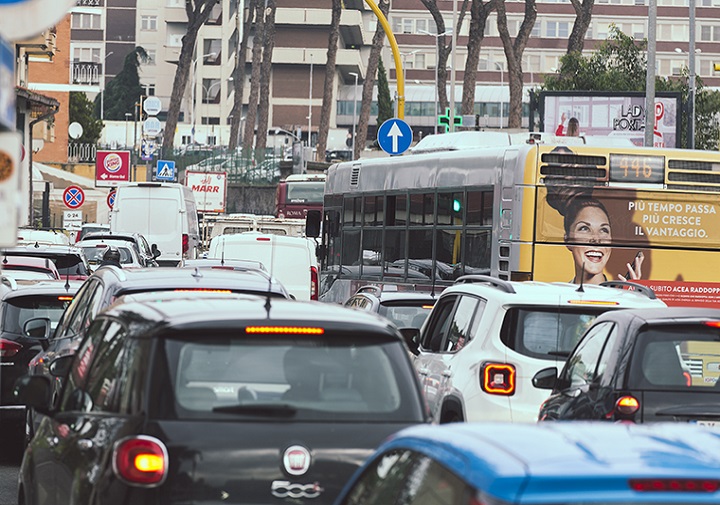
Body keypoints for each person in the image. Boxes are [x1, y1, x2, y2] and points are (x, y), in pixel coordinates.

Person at [547, 186, 642, 284]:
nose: (596, 239)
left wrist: (631, 296)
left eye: (604, 230)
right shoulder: (558, 296)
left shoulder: (623, 296)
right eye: (584, 229)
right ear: (568, 240)